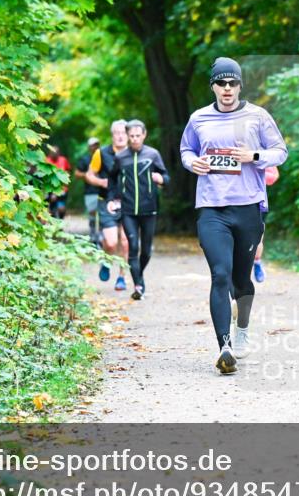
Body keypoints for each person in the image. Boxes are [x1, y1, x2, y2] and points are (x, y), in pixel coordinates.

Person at [180, 57, 288, 375]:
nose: (227, 88)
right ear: (213, 86)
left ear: (240, 86)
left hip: (248, 207)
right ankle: (224, 347)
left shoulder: (258, 116)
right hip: (212, 207)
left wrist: (253, 155)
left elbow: (280, 151)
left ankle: (242, 328)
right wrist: (192, 162)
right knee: (220, 274)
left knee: (241, 281)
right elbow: (186, 150)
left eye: (232, 83)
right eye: (221, 83)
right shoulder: (199, 118)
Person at [106, 119, 169, 300]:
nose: (134, 139)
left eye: (137, 136)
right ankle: (138, 286)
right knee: (133, 246)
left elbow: (166, 176)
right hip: (128, 211)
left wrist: (161, 179)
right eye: (131, 136)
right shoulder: (121, 157)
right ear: (127, 136)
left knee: (146, 251)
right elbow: (112, 179)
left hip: (149, 210)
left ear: (144, 135)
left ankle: (138, 273)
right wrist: (111, 199)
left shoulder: (153, 154)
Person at [86, 121, 130, 291]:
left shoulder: (134, 153)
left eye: (123, 132)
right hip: (106, 201)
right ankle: (106, 260)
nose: (120, 136)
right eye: (116, 133)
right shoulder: (101, 153)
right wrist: (101, 182)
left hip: (129, 202)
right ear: (112, 135)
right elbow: (89, 175)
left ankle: (122, 277)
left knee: (126, 242)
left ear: (128, 135)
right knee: (111, 243)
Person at [252, 165, 280, 283]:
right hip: (229, 201)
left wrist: (251, 173)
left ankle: (257, 262)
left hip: (256, 201)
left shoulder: (260, 154)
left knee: (257, 238)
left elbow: (273, 176)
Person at [75, 137, 104, 245]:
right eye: (92, 145)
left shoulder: (104, 157)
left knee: (102, 214)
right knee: (92, 214)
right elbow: (77, 174)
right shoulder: (85, 159)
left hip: (103, 191)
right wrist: (88, 175)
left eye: (96, 145)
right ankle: (93, 236)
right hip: (90, 191)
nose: (95, 147)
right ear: (89, 147)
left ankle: (101, 237)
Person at [44, 145, 70, 219]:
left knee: (61, 208)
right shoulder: (46, 161)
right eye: (53, 152)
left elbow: (68, 172)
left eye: (56, 152)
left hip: (62, 188)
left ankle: (61, 219)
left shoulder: (63, 160)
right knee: (49, 209)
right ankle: (53, 220)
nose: (54, 153)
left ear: (59, 153)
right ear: (50, 152)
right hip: (49, 188)